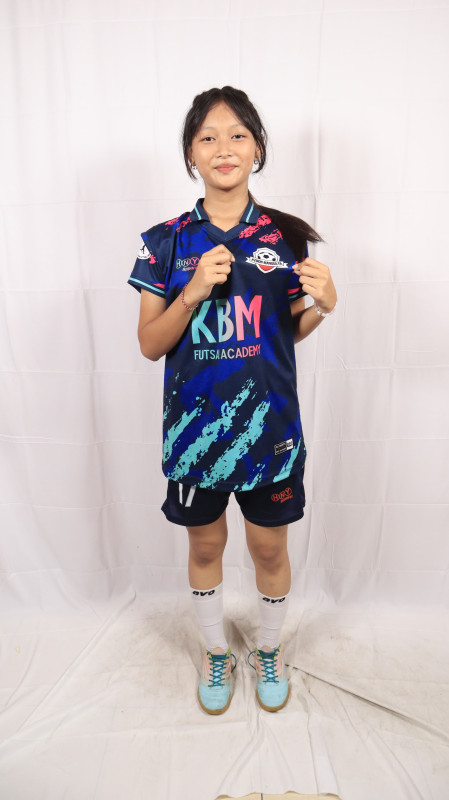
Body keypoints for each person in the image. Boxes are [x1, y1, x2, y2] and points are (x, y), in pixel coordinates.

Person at [128, 86, 337, 716]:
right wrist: (191, 292)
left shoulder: (286, 237)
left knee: (270, 548)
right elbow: (149, 344)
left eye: (238, 135)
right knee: (205, 547)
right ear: (190, 154)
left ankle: (268, 648)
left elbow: (285, 332)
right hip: (196, 436)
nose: (224, 148)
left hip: (270, 430)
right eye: (208, 137)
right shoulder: (163, 241)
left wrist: (324, 305)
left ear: (259, 148)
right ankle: (216, 652)